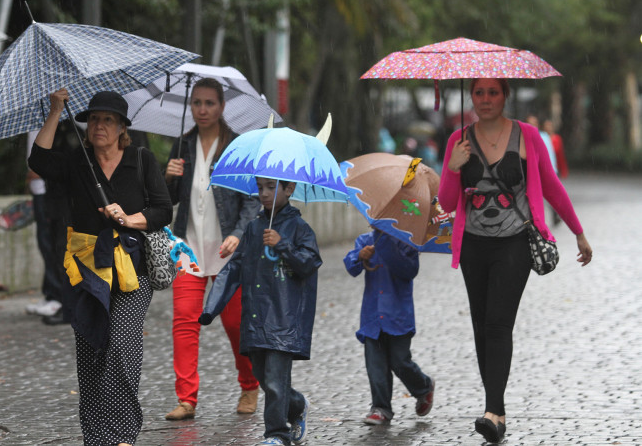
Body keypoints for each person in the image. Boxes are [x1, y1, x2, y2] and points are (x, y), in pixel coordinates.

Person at [439, 78, 593, 443]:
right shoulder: (457, 140)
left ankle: (492, 412)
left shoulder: (527, 136)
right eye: (479, 93)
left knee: (497, 323)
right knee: (480, 325)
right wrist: (454, 166)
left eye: (493, 92)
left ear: (505, 96)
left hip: (514, 244)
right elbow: (446, 204)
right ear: (471, 97)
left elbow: (551, 184)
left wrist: (578, 231)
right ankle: (498, 408)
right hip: (473, 245)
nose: (486, 99)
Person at [29, 88, 172, 446]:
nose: (99, 126)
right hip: (87, 269)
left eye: (108, 120)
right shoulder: (78, 162)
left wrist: (127, 217)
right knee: (92, 349)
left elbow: (162, 210)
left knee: (122, 343)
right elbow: (39, 160)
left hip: (131, 270)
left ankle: (123, 435)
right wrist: (55, 110)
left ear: (122, 126)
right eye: (93, 119)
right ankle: (96, 438)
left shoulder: (140, 159)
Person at [163, 77, 261, 420]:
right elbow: (166, 201)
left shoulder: (237, 146)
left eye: (209, 103)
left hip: (227, 254)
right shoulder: (182, 146)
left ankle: (249, 385)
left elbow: (253, 200)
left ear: (221, 107)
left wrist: (238, 233)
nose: (202, 109)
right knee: (184, 322)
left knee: (235, 324)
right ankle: (186, 398)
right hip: (188, 250)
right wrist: (169, 177)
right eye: (196, 103)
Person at [199, 177, 321, 446]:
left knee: (276, 382)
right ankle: (298, 405)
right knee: (264, 378)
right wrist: (212, 307)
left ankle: (277, 434)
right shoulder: (254, 228)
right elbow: (234, 268)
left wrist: (282, 244)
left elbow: (309, 263)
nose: (263, 194)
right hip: (255, 317)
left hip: (283, 318)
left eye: (271, 187)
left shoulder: (299, 228)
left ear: (289, 190)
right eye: (260, 188)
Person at [343, 230, 435, 425]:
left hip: (398, 317)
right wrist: (360, 256)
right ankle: (380, 407)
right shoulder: (365, 240)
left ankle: (423, 386)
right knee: (375, 365)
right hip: (372, 317)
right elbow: (351, 267)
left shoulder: (407, 242)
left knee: (400, 361)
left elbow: (409, 271)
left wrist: (387, 245)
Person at [25, 129, 70, 323]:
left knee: (54, 245)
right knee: (47, 244)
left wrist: (37, 169)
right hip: (41, 191)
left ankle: (58, 296)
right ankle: (51, 293)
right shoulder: (34, 118)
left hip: (50, 191)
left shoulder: (56, 122)